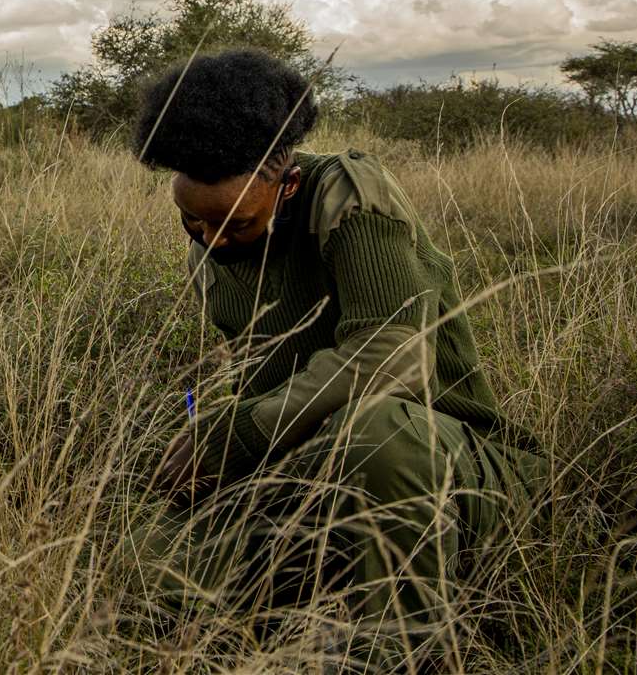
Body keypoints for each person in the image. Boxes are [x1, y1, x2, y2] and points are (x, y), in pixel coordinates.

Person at [128, 49, 546, 644]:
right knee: (143, 561)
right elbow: (262, 381)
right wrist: (216, 446)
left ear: (288, 182)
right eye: (191, 220)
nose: (208, 238)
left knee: (377, 429)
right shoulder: (210, 244)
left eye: (235, 224)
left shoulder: (346, 193)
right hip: (316, 470)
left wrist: (243, 431)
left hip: (448, 468)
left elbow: (394, 356)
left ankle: (402, 649)